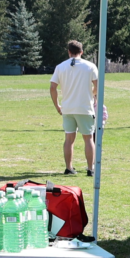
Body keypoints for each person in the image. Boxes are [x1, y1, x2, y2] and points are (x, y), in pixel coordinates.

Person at [49, 40, 99, 176]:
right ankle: (90, 169)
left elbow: (53, 87)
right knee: (88, 138)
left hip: (68, 108)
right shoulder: (90, 66)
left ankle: (69, 168)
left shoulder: (61, 67)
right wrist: (93, 94)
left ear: (69, 52)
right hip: (84, 108)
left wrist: (57, 105)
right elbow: (97, 85)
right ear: (81, 52)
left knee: (69, 139)